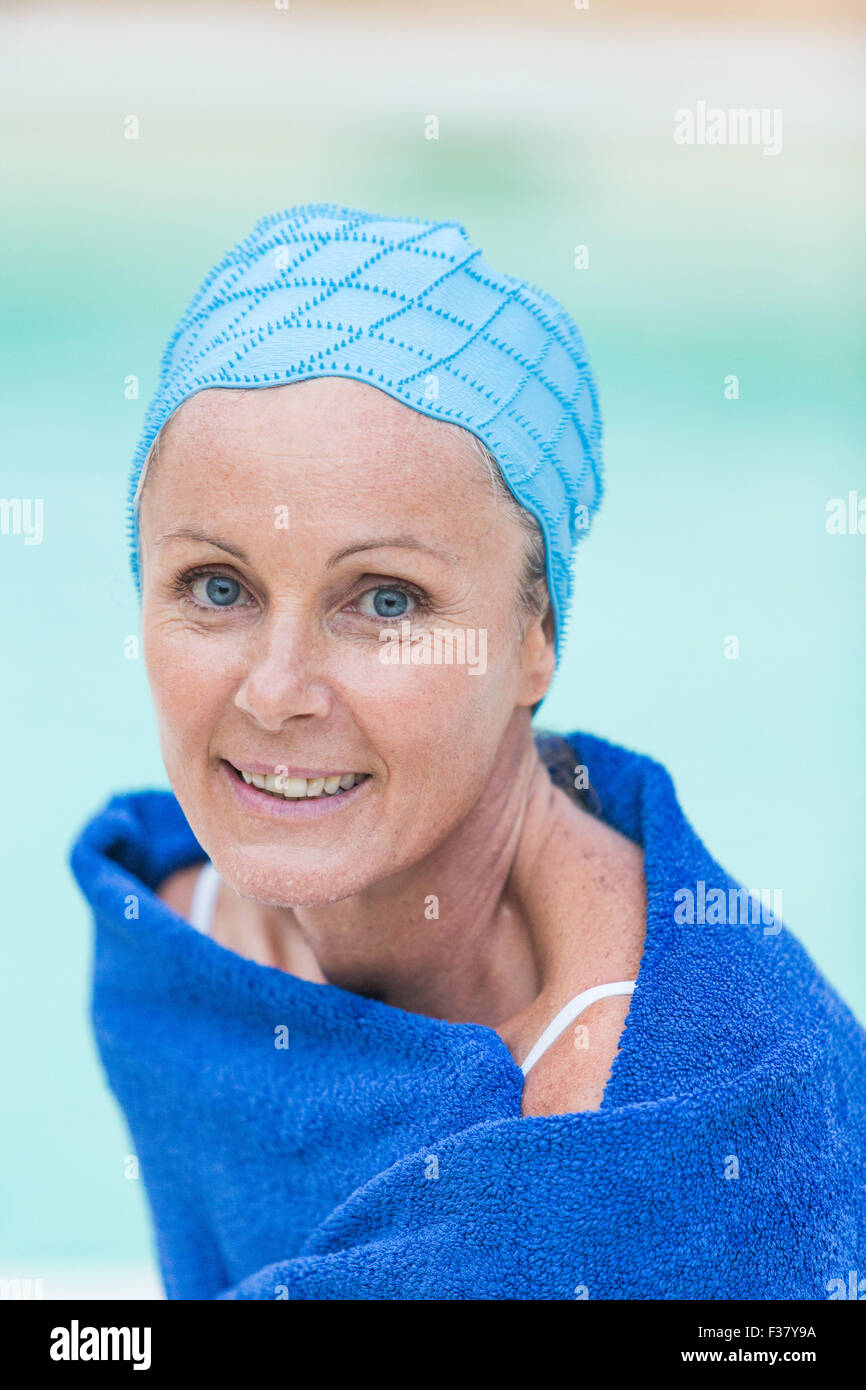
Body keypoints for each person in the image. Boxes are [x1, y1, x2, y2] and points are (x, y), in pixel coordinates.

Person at [70, 204, 866, 1300]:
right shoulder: (174, 943)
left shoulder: (675, 1144)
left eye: (384, 599)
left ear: (535, 633)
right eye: (218, 586)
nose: (275, 690)